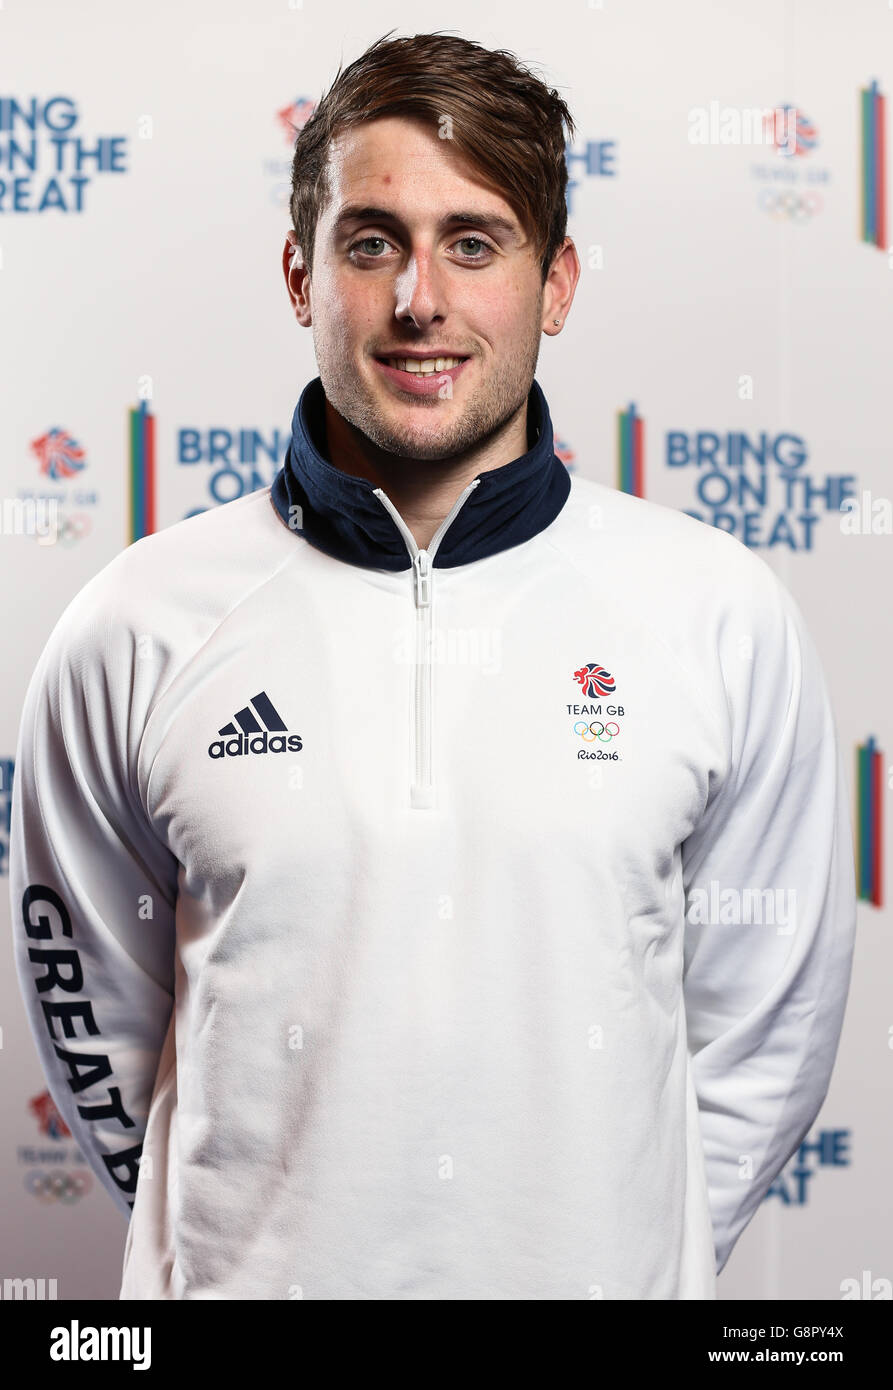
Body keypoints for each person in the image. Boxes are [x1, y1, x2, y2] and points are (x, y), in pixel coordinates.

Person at [9, 30, 856, 1301]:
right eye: (371, 242)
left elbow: (765, 1033)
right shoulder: (134, 625)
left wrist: (625, 1263)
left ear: (554, 283)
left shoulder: (715, 613)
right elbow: (99, 1029)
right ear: (300, 275)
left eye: (474, 242)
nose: (421, 299)